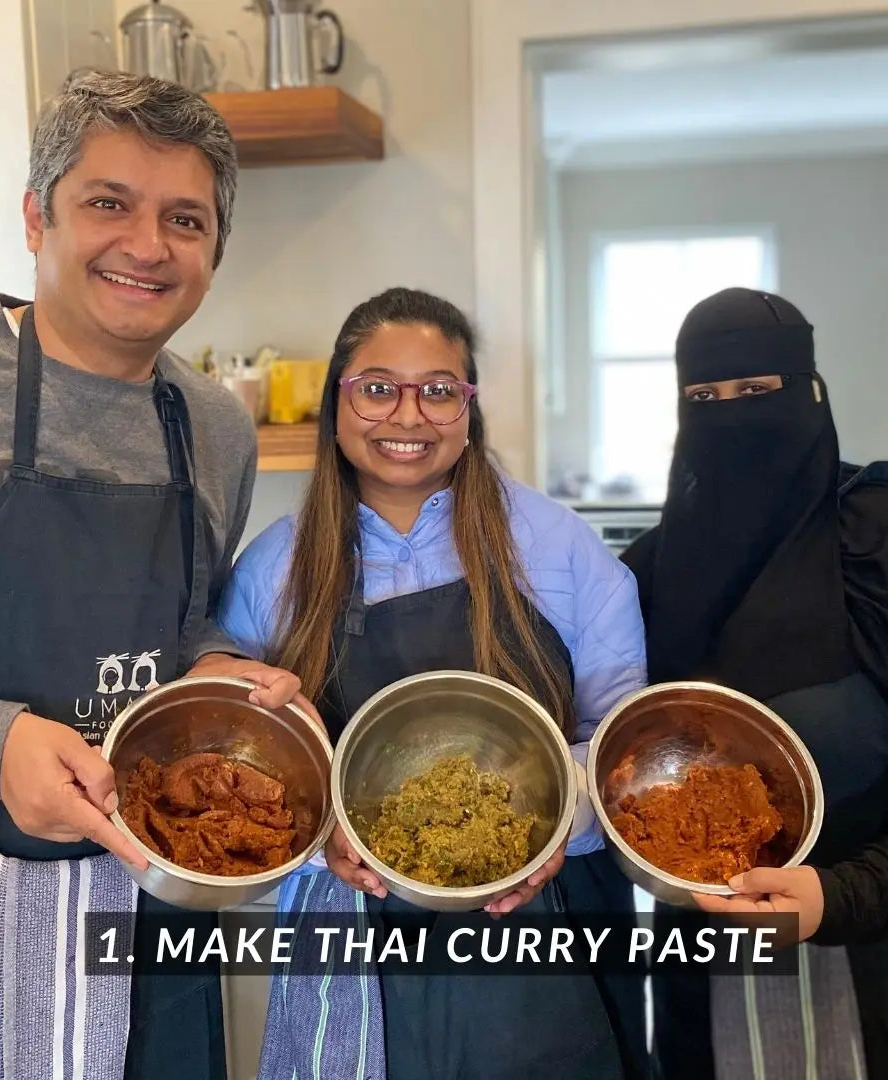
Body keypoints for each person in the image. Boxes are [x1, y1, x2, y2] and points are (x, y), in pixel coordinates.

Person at [0, 70, 309, 1080]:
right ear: (37, 217)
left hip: (149, 907)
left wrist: (217, 666)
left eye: (185, 219)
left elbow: (182, 616)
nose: (147, 245)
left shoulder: (214, 425)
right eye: (109, 203)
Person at [218, 286, 651, 1080]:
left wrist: (555, 829)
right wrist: (320, 841)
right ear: (337, 403)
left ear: (468, 408)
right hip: (349, 938)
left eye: (439, 391)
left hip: (544, 939)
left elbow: (622, 751)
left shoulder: (561, 551)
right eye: (378, 388)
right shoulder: (271, 571)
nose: (409, 416)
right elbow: (243, 771)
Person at [620, 287, 888, 1080]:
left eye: (756, 391)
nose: (732, 418)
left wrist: (841, 896)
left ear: (810, 394)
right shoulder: (648, 576)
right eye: (704, 399)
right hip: (706, 975)